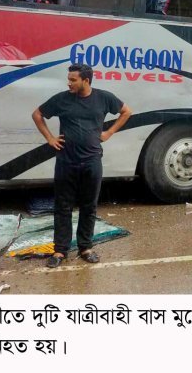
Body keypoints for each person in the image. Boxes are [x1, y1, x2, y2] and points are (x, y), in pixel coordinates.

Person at [32, 64, 132, 268]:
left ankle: (85, 247)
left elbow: (126, 112)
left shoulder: (103, 98)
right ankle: (60, 250)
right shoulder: (61, 99)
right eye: (68, 79)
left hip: (92, 161)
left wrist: (109, 133)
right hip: (66, 162)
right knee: (62, 207)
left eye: (73, 79)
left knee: (89, 206)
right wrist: (50, 138)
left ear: (86, 80)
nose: (69, 83)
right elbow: (37, 114)